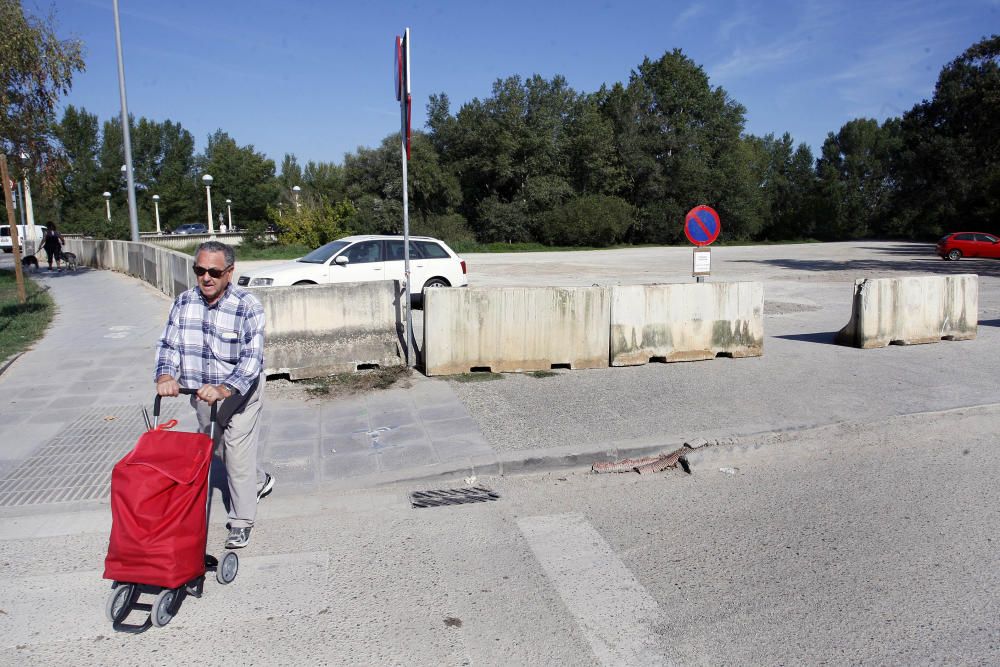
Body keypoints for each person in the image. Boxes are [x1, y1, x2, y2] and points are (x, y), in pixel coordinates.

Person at [154, 240, 274, 549]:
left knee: (236, 453)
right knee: (218, 450)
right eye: (200, 270)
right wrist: (166, 374)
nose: (206, 277)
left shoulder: (248, 306)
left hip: (239, 394)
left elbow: (252, 359)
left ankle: (241, 520)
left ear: (229, 272)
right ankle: (259, 481)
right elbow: (168, 345)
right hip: (201, 394)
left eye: (214, 272)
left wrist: (225, 388)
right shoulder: (183, 303)